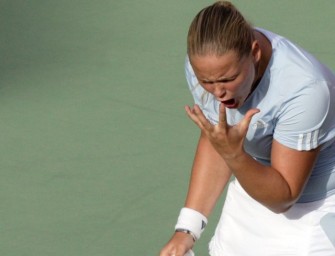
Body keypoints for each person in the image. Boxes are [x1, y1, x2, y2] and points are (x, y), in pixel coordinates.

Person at [159, 1, 335, 255]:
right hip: (254, 186)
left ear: (254, 53)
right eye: (206, 81)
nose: (218, 91)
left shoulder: (305, 90)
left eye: (229, 79)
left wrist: (233, 153)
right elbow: (218, 139)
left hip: (319, 208)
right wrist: (186, 230)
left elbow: (283, 196)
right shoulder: (207, 65)